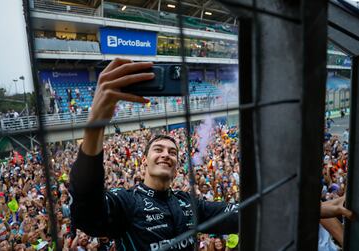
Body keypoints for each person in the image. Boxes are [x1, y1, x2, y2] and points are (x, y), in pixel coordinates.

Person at [69, 58, 239, 251]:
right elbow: (87, 215)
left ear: (176, 169)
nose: (166, 154)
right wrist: (95, 125)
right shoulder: (127, 202)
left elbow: (239, 214)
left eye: (172, 152)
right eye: (158, 149)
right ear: (144, 162)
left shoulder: (188, 203)